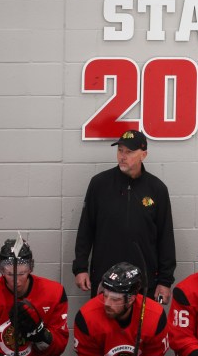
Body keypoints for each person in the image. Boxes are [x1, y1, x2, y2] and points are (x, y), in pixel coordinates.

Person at [72, 129, 176, 303]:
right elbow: (86, 229)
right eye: (120, 150)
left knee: (141, 329)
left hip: (143, 279)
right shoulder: (99, 184)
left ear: (143, 155)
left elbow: (166, 237)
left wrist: (165, 281)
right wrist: (80, 268)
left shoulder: (157, 189)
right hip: (104, 277)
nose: (122, 156)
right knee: (103, 327)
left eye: (129, 152)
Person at [73, 262, 169, 356]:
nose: (107, 303)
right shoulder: (86, 316)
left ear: (131, 299)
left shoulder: (155, 316)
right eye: (105, 295)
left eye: (115, 299)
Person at [0, 238, 68, 356]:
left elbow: (58, 348)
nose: (16, 281)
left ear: (30, 268)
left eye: (21, 274)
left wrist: (40, 333)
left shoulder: (54, 292)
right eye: (9, 274)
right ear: (2, 270)